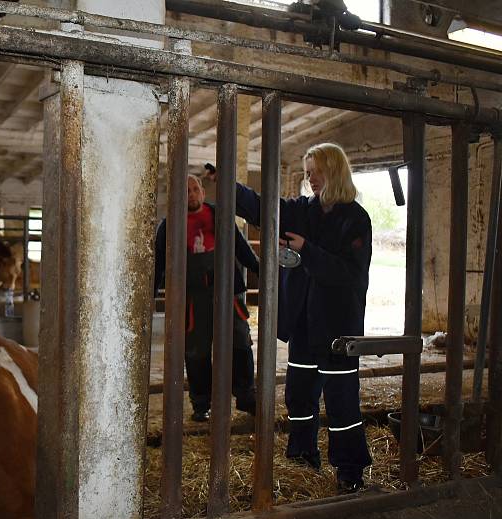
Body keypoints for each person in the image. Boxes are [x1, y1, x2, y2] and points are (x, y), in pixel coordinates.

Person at [235, 142, 372, 494]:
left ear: (333, 171)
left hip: (337, 327)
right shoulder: (303, 211)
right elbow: (268, 208)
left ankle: (349, 469)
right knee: (298, 395)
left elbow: (348, 274)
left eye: (314, 171)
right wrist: (230, 188)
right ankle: (302, 454)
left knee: (341, 399)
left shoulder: (355, 219)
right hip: (303, 324)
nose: (309, 178)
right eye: (307, 172)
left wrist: (306, 250)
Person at [154, 174, 259, 423]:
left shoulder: (218, 215)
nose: (191, 195)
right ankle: (201, 404)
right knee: (196, 351)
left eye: (194, 189)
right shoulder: (169, 225)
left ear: (202, 190)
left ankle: (246, 396)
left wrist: (258, 268)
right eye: (185, 191)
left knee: (240, 342)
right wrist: (151, 293)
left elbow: (240, 246)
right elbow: (159, 262)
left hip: (226, 291)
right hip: (193, 296)